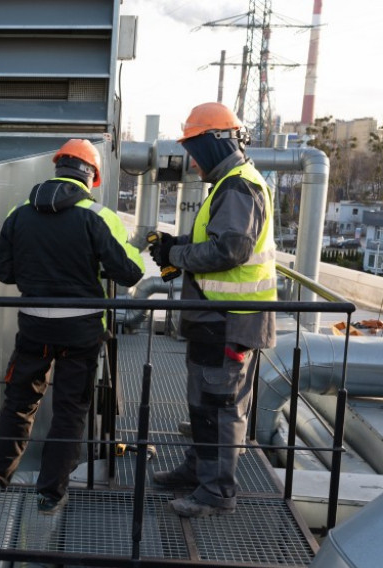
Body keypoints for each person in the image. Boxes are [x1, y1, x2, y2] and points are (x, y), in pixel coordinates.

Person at [0, 139, 145, 514]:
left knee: (18, 403)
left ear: (58, 169)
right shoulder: (97, 215)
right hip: (80, 333)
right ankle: (50, 492)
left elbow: (4, 271)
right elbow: (130, 270)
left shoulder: (19, 213)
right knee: (69, 411)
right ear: (91, 177)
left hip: (33, 328)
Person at [147, 102, 275, 518]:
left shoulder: (240, 186)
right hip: (215, 320)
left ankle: (217, 492)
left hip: (230, 322)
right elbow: (217, 236)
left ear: (214, 143)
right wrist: (175, 244)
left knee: (220, 405)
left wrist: (177, 254)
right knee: (203, 402)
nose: (192, 161)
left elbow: (231, 249)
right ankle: (199, 470)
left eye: (195, 149)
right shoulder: (228, 186)